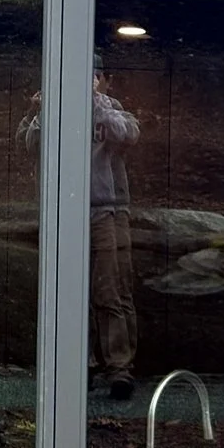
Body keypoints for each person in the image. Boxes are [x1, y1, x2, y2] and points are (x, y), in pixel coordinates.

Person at [88, 64, 142, 402]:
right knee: (71, 292)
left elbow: (129, 135)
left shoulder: (113, 109)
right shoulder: (54, 104)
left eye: (94, 75)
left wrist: (98, 104)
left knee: (111, 289)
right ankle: (85, 363)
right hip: (67, 212)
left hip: (106, 211)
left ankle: (119, 368)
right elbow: (29, 143)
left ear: (104, 79)